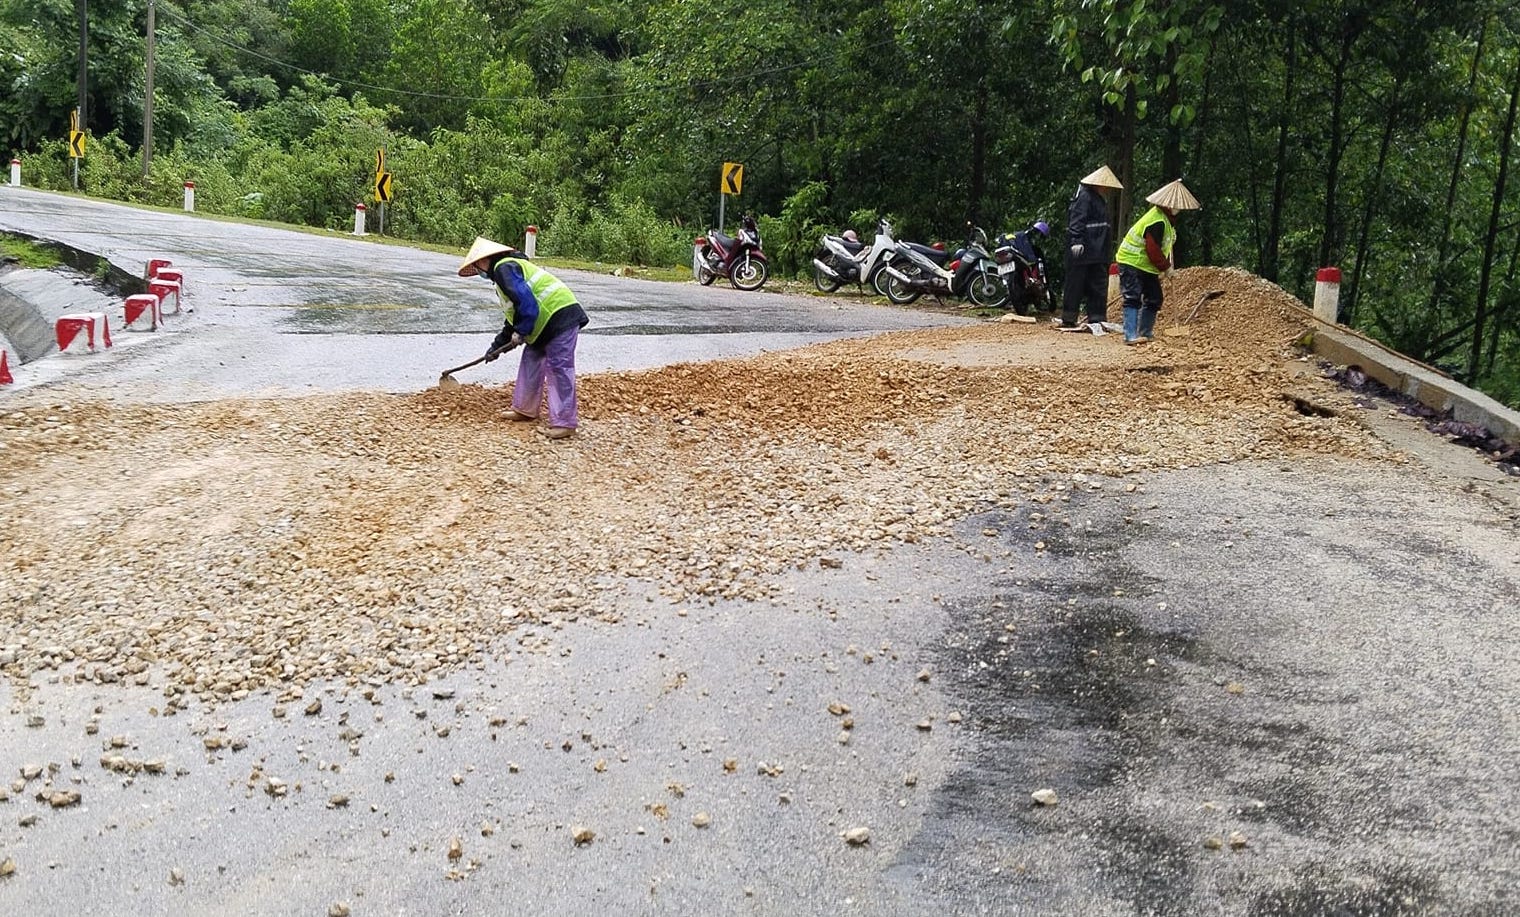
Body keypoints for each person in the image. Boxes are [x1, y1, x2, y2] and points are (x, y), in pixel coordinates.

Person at [457, 236, 590, 439]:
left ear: (486, 260)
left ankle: (565, 423)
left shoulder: (504, 268)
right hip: (542, 324)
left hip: (561, 316)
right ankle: (525, 409)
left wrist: (522, 331)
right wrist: (496, 348)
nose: (478, 270)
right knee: (531, 361)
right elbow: (513, 319)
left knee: (559, 367)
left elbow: (527, 304)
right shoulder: (504, 275)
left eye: (477, 265)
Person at [1114, 179, 1202, 345]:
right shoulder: (1157, 220)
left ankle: (1145, 332)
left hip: (1145, 265)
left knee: (1154, 297)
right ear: (1169, 206)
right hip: (1132, 261)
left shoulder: (1166, 220)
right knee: (1132, 296)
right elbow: (1152, 250)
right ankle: (1130, 335)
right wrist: (1166, 268)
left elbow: (1159, 246)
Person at [1060, 165, 1124, 334]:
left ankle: (1097, 318)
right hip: (1083, 249)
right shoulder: (1085, 197)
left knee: (1098, 284)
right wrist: (1076, 240)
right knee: (1075, 283)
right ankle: (1069, 318)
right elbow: (1077, 220)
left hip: (1098, 249)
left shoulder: (1098, 199)